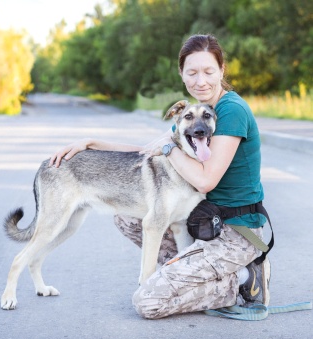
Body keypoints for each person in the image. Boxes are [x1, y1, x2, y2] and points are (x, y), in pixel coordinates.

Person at [49, 34, 271, 319]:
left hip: (235, 232)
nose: (200, 80)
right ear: (181, 74)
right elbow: (149, 152)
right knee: (128, 216)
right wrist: (91, 144)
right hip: (205, 223)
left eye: (208, 71)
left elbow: (204, 180)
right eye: (191, 72)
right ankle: (187, 274)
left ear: (222, 70)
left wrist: (169, 146)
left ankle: (241, 281)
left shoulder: (230, 112)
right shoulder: (193, 114)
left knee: (148, 303)